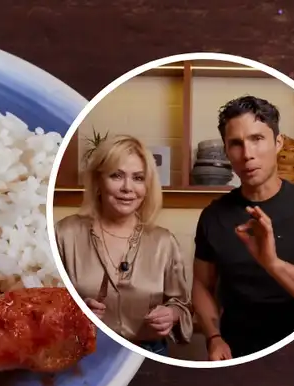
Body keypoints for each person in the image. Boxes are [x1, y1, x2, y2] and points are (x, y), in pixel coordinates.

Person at [191, 95, 294, 360]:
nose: (248, 154)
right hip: (237, 352)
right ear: (227, 151)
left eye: (257, 139)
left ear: (278, 143)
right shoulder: (213, 215)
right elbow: (202, 285)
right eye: (236, 144)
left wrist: (272, 263)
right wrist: (214, 338)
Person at [55, 134, 193, 356]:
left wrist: (172, 314)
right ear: (98, 181)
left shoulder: (164, 241)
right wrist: (74, 312)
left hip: (149, 354)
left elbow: (182, 305)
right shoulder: (65, 233)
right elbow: (44, 303)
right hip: (82, 353)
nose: (128, 188)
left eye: (138, 178)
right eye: (116, 176)